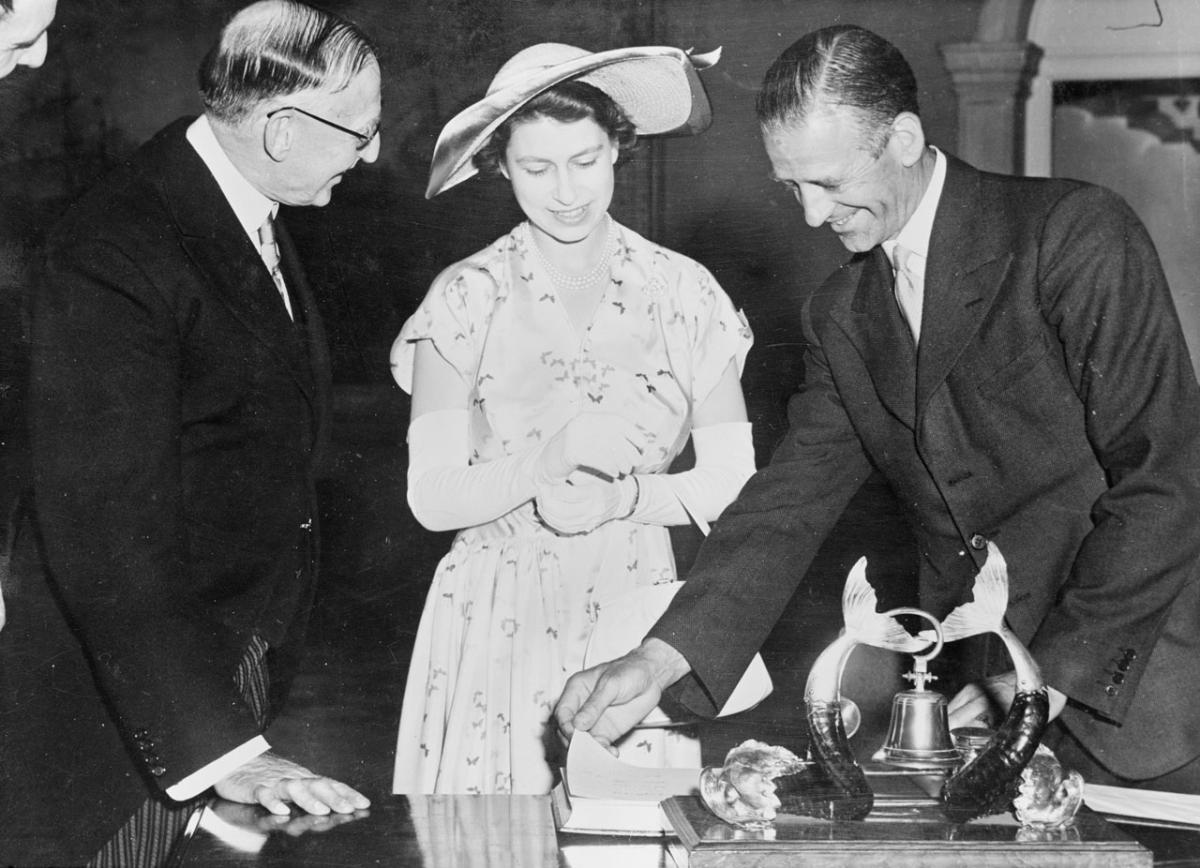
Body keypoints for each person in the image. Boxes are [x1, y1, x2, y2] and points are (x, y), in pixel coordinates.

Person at [556, 24, 1200, 796]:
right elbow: (787, 503)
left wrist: (1044, 682)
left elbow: (1170, 478)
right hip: (984, 705)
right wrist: (660, 658)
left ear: (902, 138)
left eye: (827, 183)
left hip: (1148, 700)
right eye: (790, 185)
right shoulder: (841, 311)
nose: (807, 215)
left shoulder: (1072, 236)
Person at [0, 2, 380, 863]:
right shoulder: (116, 244)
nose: (373, 152)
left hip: (221, 662)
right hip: (126, 714)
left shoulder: (234, 208)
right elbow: (104, 527)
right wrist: (223, 752)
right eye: (362, 132)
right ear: (283, 129)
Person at [390, 42, 755, 795]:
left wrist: (624, 499)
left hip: (634, 616)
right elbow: (430, 497)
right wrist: (548, 459)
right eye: (536, 168)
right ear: (500, 166)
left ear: (619, 145)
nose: (565, 192)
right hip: (491, 617)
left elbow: (732, 484)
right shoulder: (465, 297)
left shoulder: (686, 293)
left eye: (585, 161)